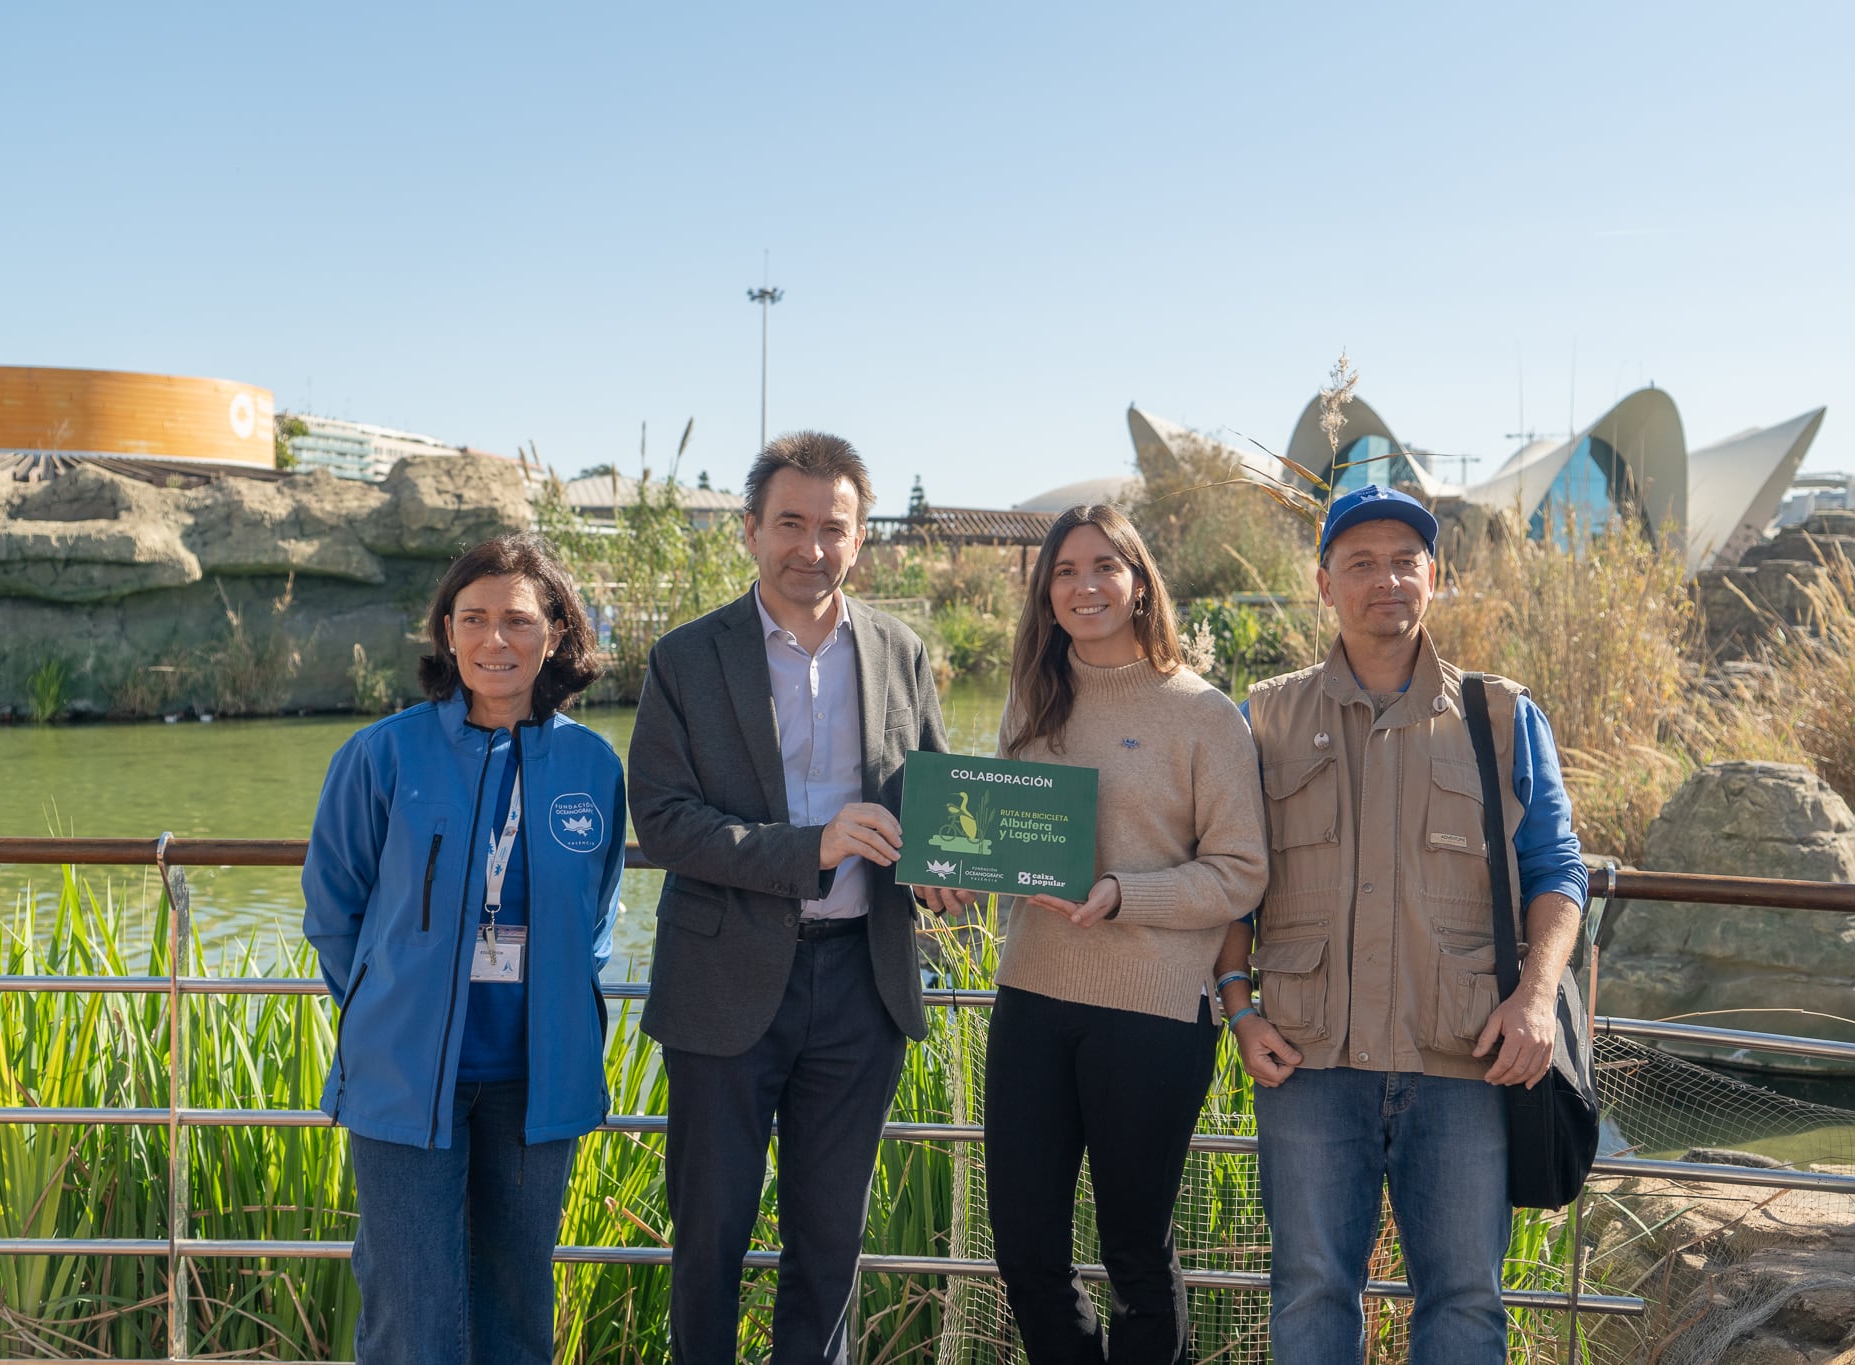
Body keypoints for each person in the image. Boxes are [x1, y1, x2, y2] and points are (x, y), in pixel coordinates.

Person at [1215, 484, 1589, 1364]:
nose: (1384, 579)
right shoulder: (1261, 717)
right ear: (1323, 582)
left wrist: (1537, 998)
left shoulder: (1502, 715)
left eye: (1403, 561)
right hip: (1308, 1061)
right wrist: (1239, 1007)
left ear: (1435, 575)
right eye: (1360, 563)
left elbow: (1559, 871)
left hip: (1464, 1058)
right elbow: (1231, 881)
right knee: (1309, 1292)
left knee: (1465, 1300)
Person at [628, 431, 969, 1365]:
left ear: (860, 540)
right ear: (749, 530)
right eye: (790, 523)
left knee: (829, 1244)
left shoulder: (901, 649)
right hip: (723, 982)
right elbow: (661, 820)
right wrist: (808, 848)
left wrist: (949, 872)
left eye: (833, 527)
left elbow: (936, 802)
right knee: (709, 1239)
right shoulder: (685, 658)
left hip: (864, 985)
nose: (810, 547)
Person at [302, 533, 625, 1365]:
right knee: (413, 1316)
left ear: (554, 632)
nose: (494, 640)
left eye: (517, 620)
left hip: (534, 1080)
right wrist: (390, 1000)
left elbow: (596, 917)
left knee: (517, 1309)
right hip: (405, 1075)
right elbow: (334, 909)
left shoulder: (593, 766)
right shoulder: (383, 754)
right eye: (472, 618)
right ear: (446, 631)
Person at [983, 504, 1269, 1365]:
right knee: (1026, 1249)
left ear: (1140, 582)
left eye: (1104, 566)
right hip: (1031, 998)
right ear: (1047, 594)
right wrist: (960, 870)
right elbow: (1000, 838)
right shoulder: (1032, 699)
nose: (1084, 585)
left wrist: (1123, 892)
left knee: (1136, 1255)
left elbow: (1240, 871)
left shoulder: (1204, 713)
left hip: (1150, 1012)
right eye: (1065, 571)